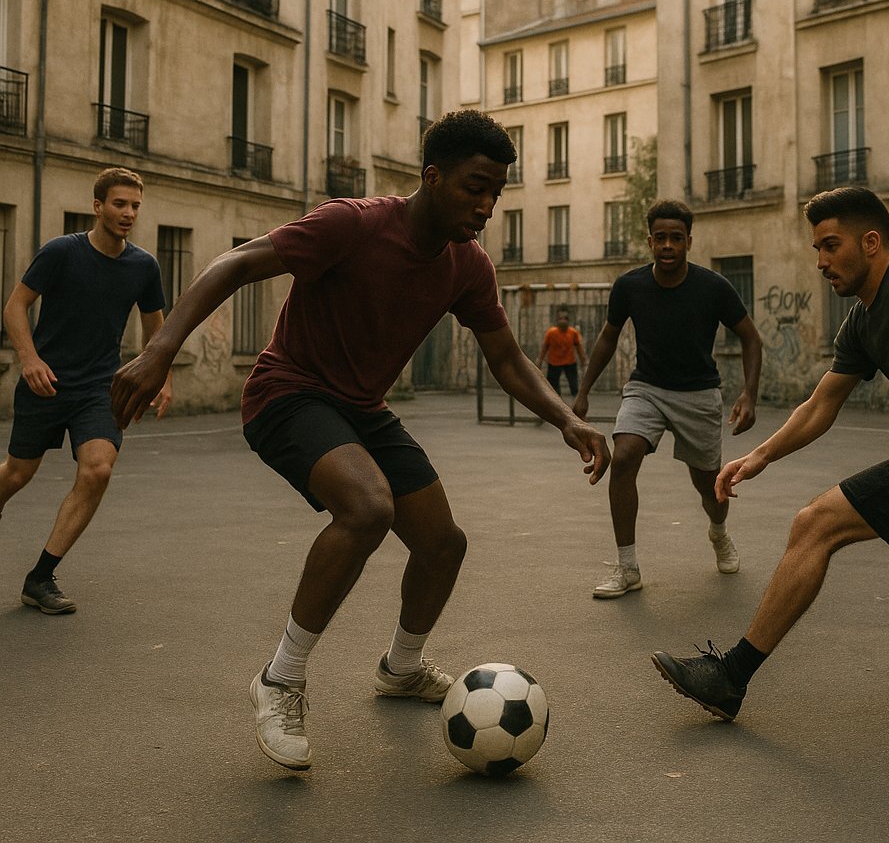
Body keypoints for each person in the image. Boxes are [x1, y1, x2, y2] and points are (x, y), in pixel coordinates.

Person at [110, 109, 610, 772]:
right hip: (288, 392)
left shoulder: (466, 266)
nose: (488, 205)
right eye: (475, 187)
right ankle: (280, 679)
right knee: (368, 507)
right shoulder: (353, 224)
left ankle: (401, 670)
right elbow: (233, 264)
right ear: (433, 177)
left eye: (497, 192)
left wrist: (566, 418)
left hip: (361, 409)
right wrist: (160, 350)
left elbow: (509, 361)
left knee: (442, 544)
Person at [652, 186, 889, 722]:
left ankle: (730, 677)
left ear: (870, 242)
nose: (822, 261)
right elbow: (821, 403)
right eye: (817, 249)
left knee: (816, 523)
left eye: (831, 246)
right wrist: (759, 456)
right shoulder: (863, 323)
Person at [0, 167, 171, 614]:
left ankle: (39, 578)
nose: (128, 213)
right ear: (97, 206)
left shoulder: (143, 266)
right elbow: (15, 307)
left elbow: (158, 331)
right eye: (119, 204)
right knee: (17, 475)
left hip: (100, 386)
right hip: (47, 382)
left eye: (135, 205)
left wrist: (163, 377)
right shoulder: (61, 252)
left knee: (97, 469)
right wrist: (30, 359)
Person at [573, 199, 762, 598]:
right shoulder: (630, 286)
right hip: (647, 388)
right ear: (650, 241)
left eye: (676, 238)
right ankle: (628, 568)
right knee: (623, 457)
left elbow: (750, 336)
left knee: (709, 485)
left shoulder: (713, 287)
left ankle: (719, 532)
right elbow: (608, 337)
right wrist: (584, 391)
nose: (668, 245)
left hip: (699, 394)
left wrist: (749, 393)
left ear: (689, 241)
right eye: (661, 238)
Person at [537, 308, 587, 397]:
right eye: (561, 319)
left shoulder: (573, 333)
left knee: (574, 384)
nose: (563, 321)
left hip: (569, 362)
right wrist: (539, 361)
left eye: (565, 319)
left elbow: (579, 347)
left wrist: (584, 361)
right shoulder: (551, 333)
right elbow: (544, 348)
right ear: (557, 321)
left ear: (568, 321)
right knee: (553, 386)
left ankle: (575, 402)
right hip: (554, 362)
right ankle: (555, 401)